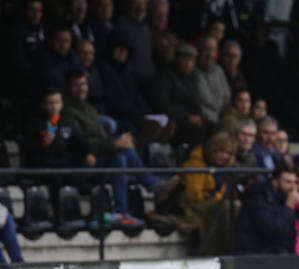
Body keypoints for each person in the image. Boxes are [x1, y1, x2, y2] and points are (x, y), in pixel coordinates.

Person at [63, 69, 157, 224]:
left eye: (83, 84)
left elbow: (101, 139)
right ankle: (151, 185)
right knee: (122, 149)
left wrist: (117, 142)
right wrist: (114, 144)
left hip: (98, 156)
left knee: (120, 156)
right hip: (81, 162)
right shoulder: (67, 112)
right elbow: (82, 144)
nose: (81, 88)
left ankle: (122, 212)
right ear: (68, 87)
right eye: (75, 85)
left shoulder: (89, 108)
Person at [180, 131, 237, 254]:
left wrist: (211, 194)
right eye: (221, 151)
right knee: (227, 207)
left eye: (228, 153)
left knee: (233, 207)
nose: (224, 156)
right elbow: (193, 195)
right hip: (192, 205)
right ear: (213, 149)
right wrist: (211, 195)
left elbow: (220, 194)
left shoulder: (223, 168)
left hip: (212, 203)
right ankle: (220, 250)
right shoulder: (196, 163)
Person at [234, 164, 299, 254]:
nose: (293, 187)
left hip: (275, 255)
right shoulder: (258, 199)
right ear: (275, 182)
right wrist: (289, 206)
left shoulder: (282, 199)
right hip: (254, 257)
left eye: (295, 182)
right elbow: (274, 231)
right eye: (288, 182)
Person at [195, 36, 230, 130]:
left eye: (213, 50)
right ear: (199, 51)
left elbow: (227, 95)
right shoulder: (194, 71)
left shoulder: (219, 70)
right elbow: (204, 98)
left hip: (220, 115)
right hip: (205, 118)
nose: (210, 54)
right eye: (206, 50)